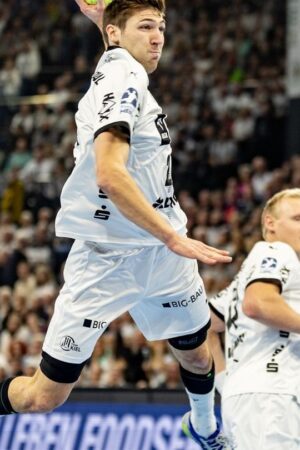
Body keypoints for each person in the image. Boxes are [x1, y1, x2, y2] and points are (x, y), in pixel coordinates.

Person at [0, 1, 232, 448]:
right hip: (108, 257)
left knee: (197, 354)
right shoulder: (123, 76)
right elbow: (110, 172)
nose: (158, 36)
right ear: (115, 34)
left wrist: (108, 23)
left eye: (161, 26)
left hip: (162, 256)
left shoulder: (121, 68)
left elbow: (116, 50)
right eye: (146, 26)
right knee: (42, 397)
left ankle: (204, 428)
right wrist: (170, 236)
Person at [208, 188, 300, 449]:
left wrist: (223, 381)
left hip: (260, 397)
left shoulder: (245, 278)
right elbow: (258, 303)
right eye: (298, 219)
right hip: (272, 397)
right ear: (270, 224)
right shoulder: (276, 251)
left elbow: (203, 326)